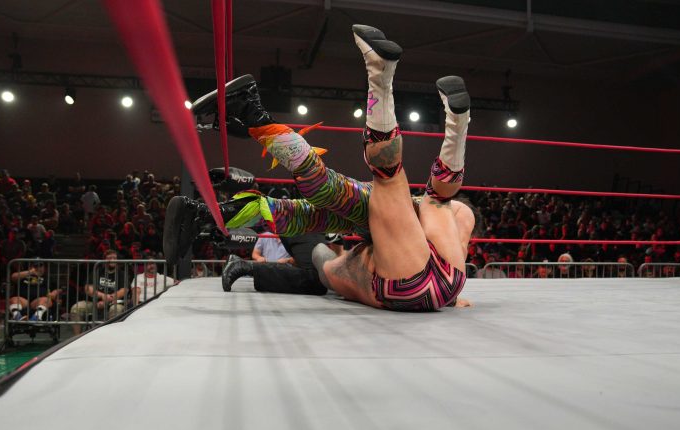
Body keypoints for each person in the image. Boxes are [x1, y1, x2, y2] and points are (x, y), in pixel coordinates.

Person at [166, 24, 474, 311]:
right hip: (418, 279)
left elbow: (320, 241)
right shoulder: (339, 268)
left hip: (443, 277)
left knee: (407, 188)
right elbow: (317, 243)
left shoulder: (341, 262)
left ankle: (446, 118)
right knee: (320, 204)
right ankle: (209, 205)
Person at [222, 233, 330, 295]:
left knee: (316, 278)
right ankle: (243, 266)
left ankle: (244, 266)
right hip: (305, 223)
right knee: (316, 280)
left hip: (304, 224)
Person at [69, 249, 128, 335]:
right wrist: (102, 296)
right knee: (76, 308)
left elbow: (124, 290)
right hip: (94, 302)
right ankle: (77, 337)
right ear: (104, 260)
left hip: (114, 302)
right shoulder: (97, 272)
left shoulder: (121, 274)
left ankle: (112, 337)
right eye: (109, 258)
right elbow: (88, 288)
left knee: (116, 309)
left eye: (114, 258)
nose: (112, 260)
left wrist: (107, 301)